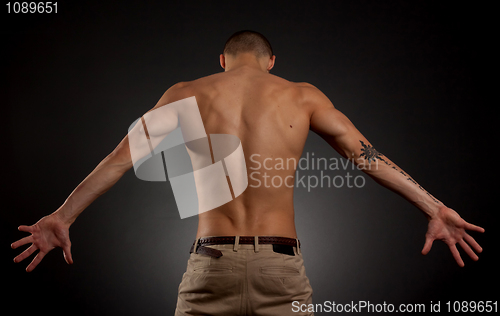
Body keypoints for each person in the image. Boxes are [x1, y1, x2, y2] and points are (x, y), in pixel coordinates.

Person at [11, 30, 484, 315]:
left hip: (208, 269)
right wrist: (435, 205)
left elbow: (119, 158)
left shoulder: (185, 93)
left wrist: (63, 215)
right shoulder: (302, 95)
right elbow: (369, 156)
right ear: (271, 61)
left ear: (222, 60)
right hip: (281, 270)